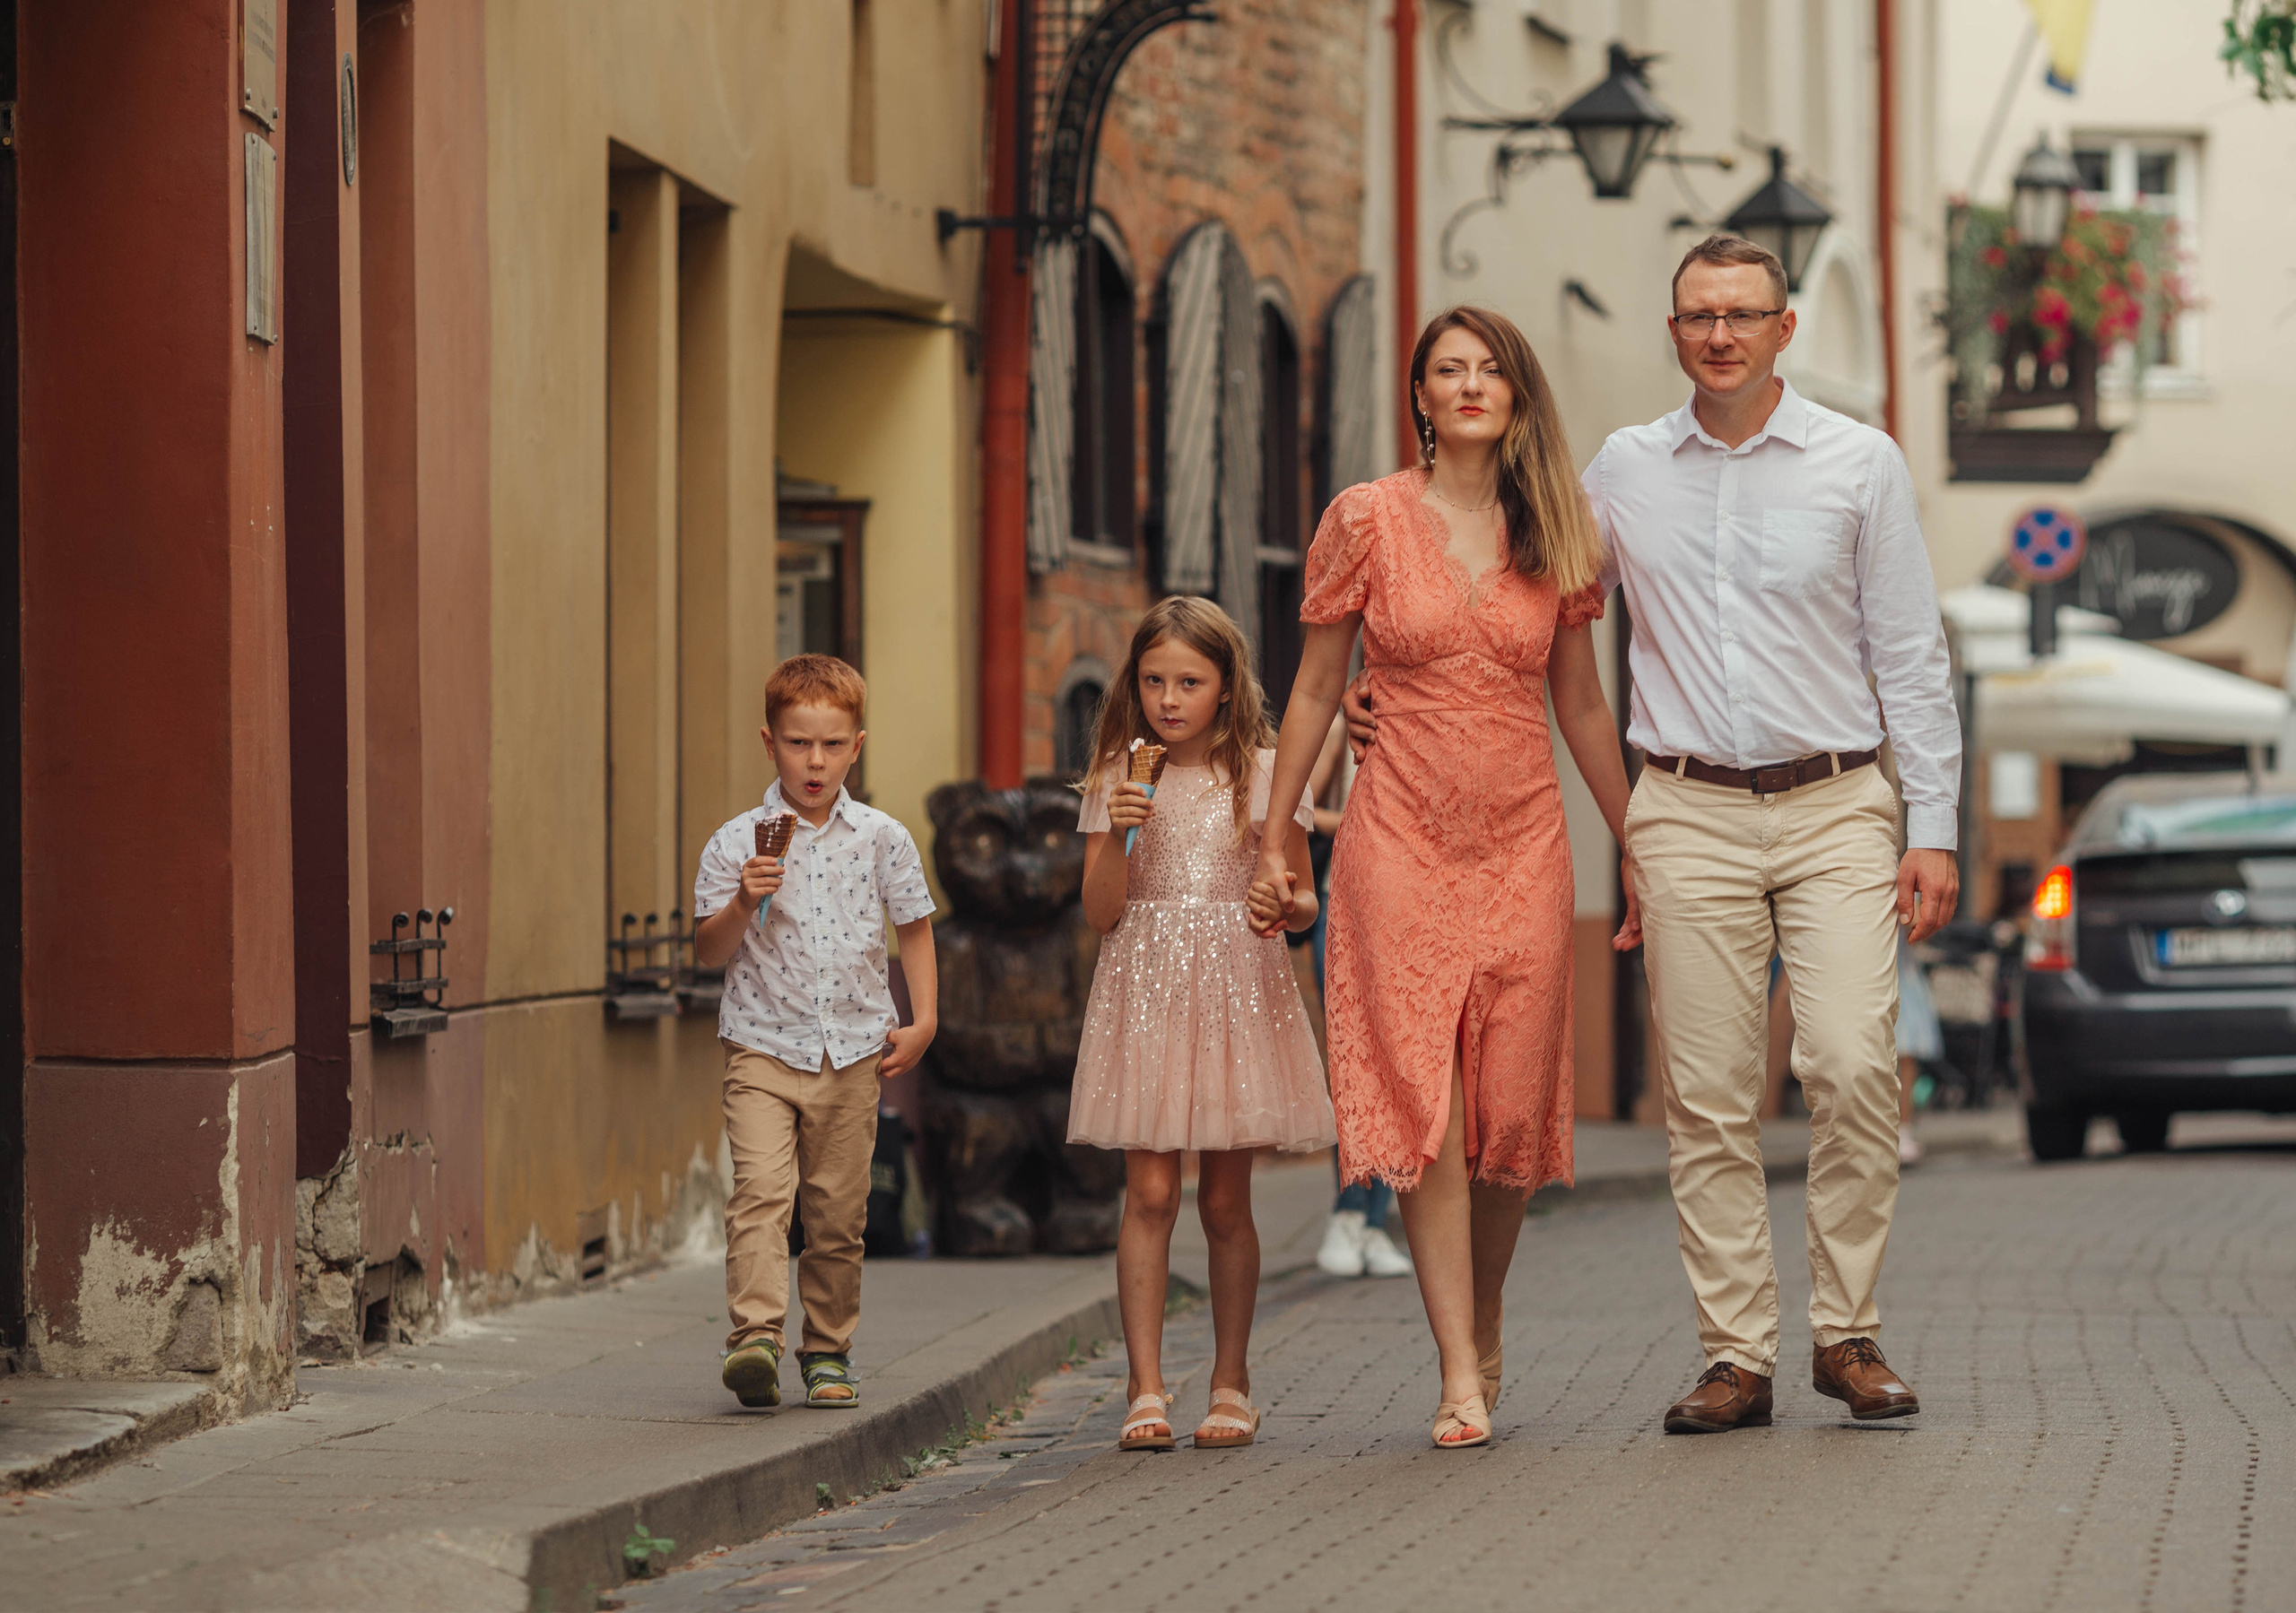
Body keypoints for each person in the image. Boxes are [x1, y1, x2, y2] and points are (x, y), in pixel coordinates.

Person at [1353, 237, 1961, 1435]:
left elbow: (1910, 655)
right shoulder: (1623, 470)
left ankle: (1846, 1331)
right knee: (1707, 1094)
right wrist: (1385, 690)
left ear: (1784, 328)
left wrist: (1931, 825)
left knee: (1849, 1062)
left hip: (1837, 799)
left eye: (1742, 314)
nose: (1719, 335)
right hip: (1682, 806)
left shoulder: (1861, 462)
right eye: (1697, 316)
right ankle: (1737, 1353)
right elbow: (1512, 586)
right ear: (1673, 331)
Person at [1257, 307, 1638, 1451]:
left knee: (1509, 1115)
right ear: (1419, 393)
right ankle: (1458, 1368)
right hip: (1397, 837)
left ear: (1517, 394)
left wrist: (1638, 843)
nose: (1469, 385)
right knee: (1428, 1101)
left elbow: (1581, 702)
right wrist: (1278, 831)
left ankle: (1484, 1308)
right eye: (1446, 369)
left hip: (1524, 840)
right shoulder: (1365, 517)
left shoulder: (1556, 526)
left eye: (1489, 370)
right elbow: (1316, 685)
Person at [1071, 597, 1336, 1453]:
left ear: (1226, 685)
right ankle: (1144, 1385)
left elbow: (1303, 901)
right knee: (1150, 1193)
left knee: (1224, 1200)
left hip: (1234, 993)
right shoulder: (1119, 772)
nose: (1169, 699)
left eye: (1189, 682)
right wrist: (1119, 832)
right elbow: (1101, 912)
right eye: (1154, 681)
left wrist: (1283, 901)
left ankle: (1231, 1380)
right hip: (1146, 990)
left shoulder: (1264, 772)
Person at [693, 655, 939, 1412]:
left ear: (855, 747)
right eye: (799, 743)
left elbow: (914, 926)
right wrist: (742, 900)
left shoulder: (882, 837)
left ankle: (828, 1349)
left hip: (853, 1052)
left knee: (836, 1213)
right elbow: (708, 951)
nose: (815, 761)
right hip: (762, 1046)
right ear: (770, 743)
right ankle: (755, 1339)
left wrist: (924, 1019)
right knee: (762, 1195)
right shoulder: (737, 841)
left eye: (832, 745)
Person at [1304, 715, 1413, 1280]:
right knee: (1355, 1066)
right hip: (1343, 902)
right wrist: (1355, 820)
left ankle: (1372, 1223)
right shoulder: (1346, 718)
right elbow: (1300, 807)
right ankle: (1347, 1213)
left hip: (1413, 910)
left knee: (1403, 1070)